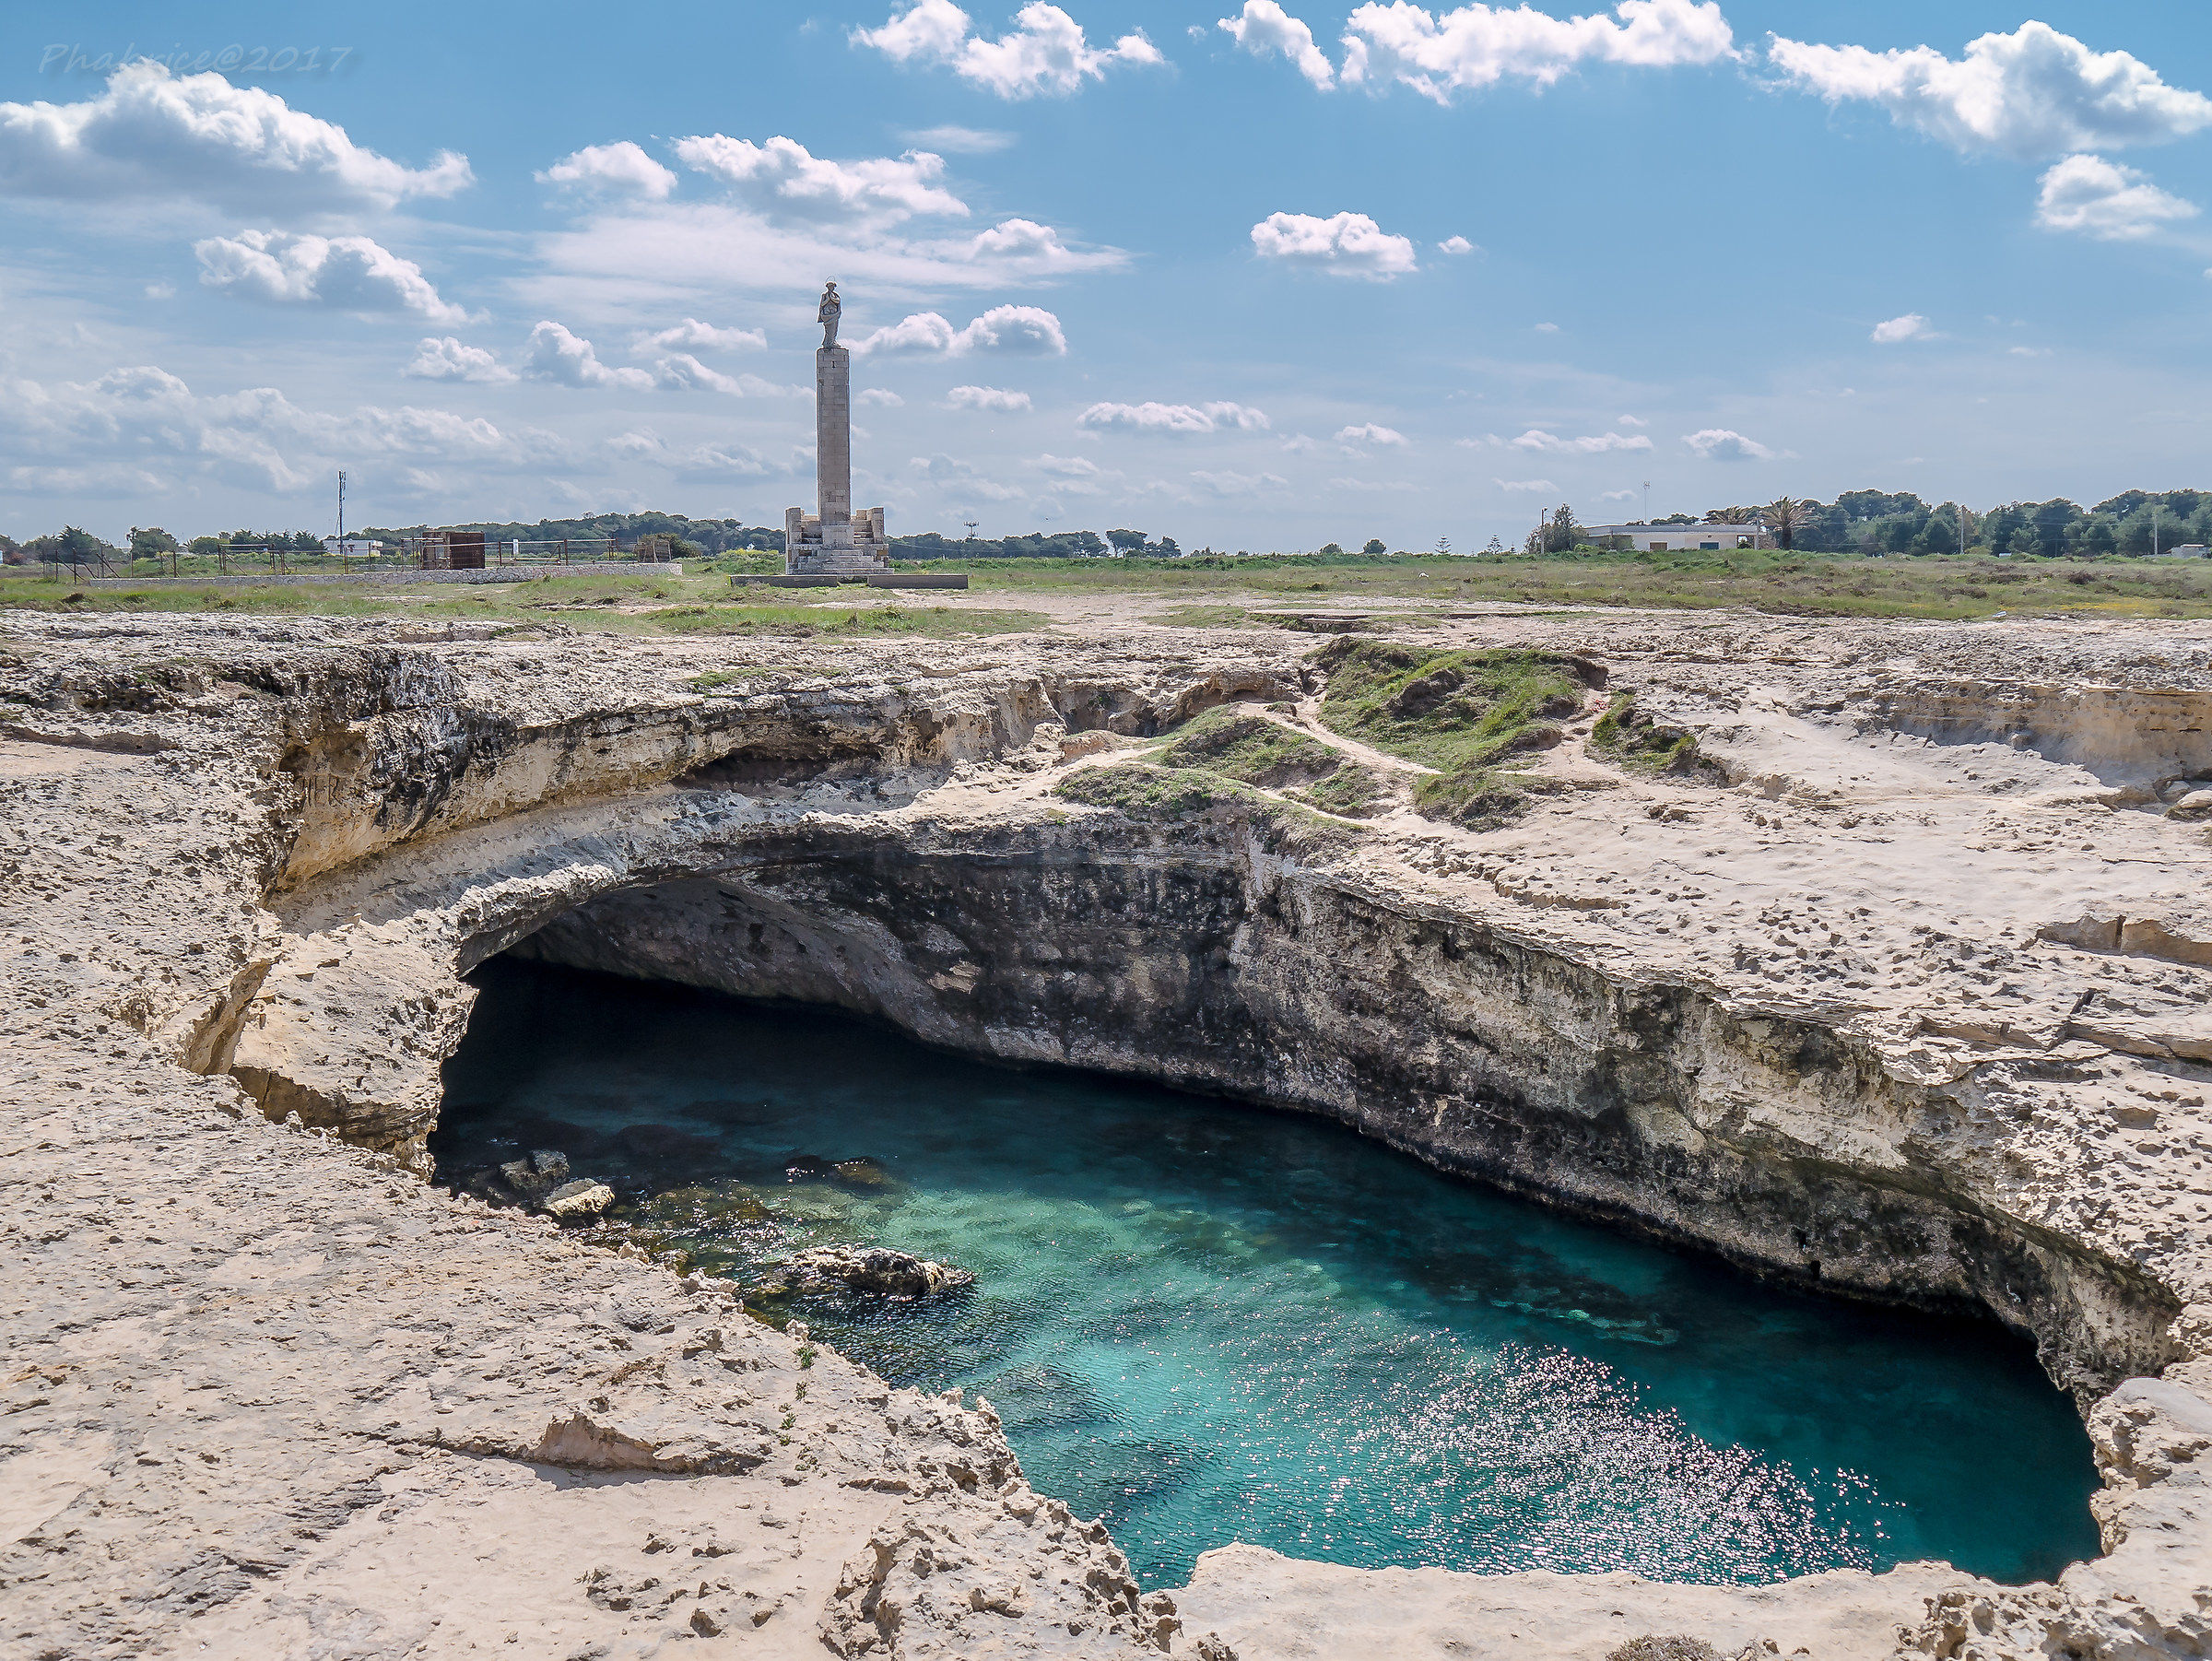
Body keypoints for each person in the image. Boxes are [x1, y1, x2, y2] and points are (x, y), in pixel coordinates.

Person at [818, 281, 841, 349]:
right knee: (829, 329)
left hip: (834, 313)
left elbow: (838, 301)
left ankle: (831, 341)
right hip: (827, 314)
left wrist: (832, 298)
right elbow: (822, 304)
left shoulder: (835, 295)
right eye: (832, 286)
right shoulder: (824, 295)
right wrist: (828, 299)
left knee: (834, 328)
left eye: (833, 287)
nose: (833, 288)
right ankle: (829, 342)